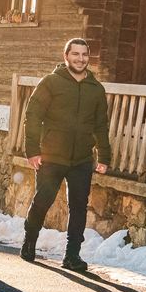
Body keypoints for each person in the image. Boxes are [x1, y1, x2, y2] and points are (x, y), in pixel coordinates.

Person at [21, 37, 110, 272]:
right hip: (51, 156)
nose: (80, 59)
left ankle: (72, 255)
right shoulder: (50, 83)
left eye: (84, 55)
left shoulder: (96, 89)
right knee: (43, 200)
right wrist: (32, 151)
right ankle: (30, 239)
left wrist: (104, 156)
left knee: (79, 206)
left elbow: (101, 125)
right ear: (66, 56)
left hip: (81, 159)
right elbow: (32, 116)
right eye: (75, 54)